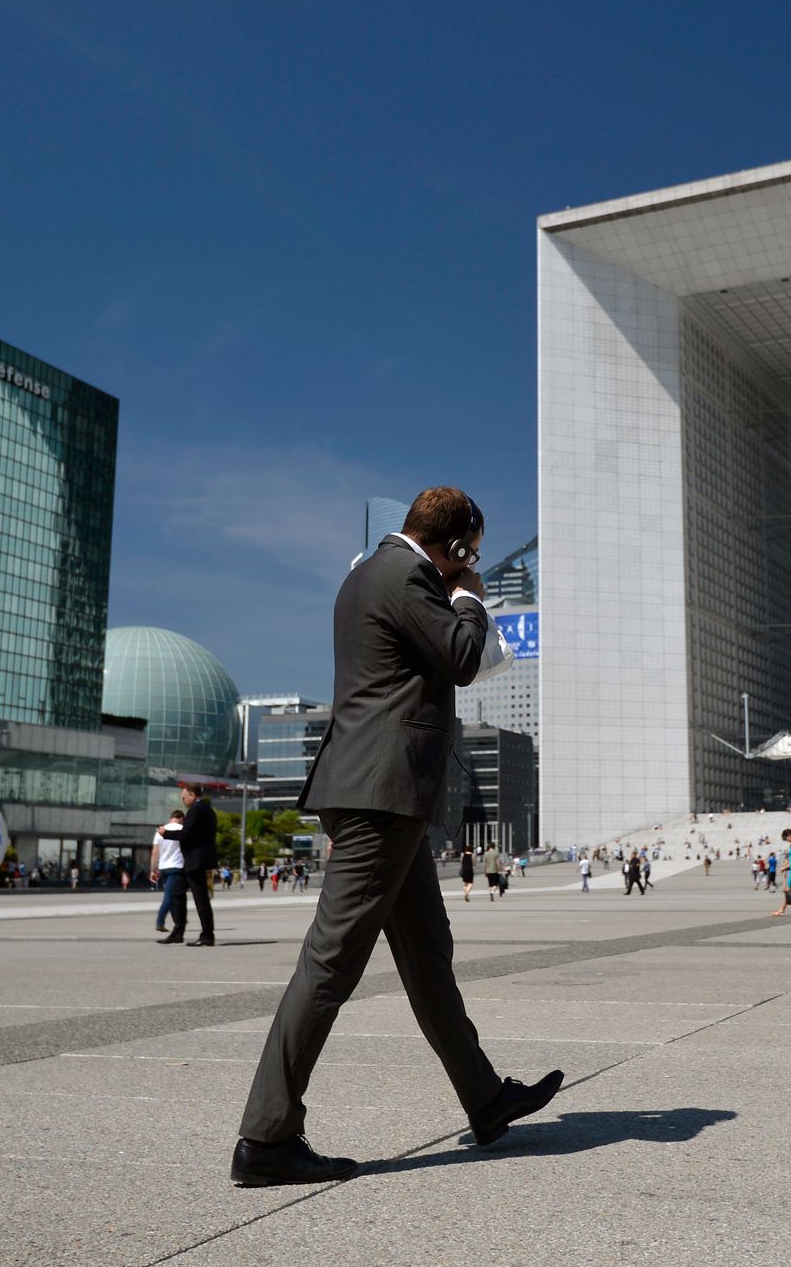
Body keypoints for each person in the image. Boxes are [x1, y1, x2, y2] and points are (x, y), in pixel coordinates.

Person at [232, 487, 561, 1187]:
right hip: (381, 796)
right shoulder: (407, 575)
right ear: (459, 546)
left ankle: (485, 1097)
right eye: (469, 555)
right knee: (329, 964)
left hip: (387, 795)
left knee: (428, 955)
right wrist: (469, 595)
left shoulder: (365, 574)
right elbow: (463, 656)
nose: (469, 565)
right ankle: (266, 1135)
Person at [179, 784, 219, 946]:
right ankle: (182, 931)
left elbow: (187, 832)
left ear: (193, 795)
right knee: (185, 894)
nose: (182, 801)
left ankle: (207, 935)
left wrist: (165, 833)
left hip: (196, 860)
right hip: (200, 859)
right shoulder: (207, 808)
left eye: (183, 797)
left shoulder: (196, 809)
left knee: (200, 899)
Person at [152, 810, 186, 938]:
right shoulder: (182, 829)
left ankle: (178, 921)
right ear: (181, 818)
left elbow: (155, 852)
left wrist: (152, 869)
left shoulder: (161, 830)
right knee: (170, 896)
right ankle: (160, 922)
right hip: (176, 866)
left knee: (171, 895)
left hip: (163, 867)